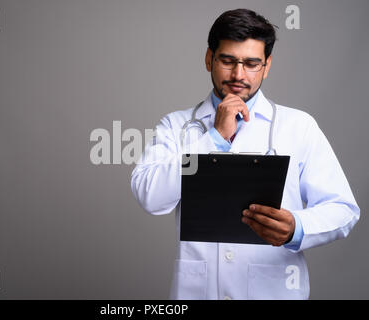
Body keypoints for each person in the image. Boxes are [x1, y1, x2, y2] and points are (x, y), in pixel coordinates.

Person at [130, 8, 360, 300]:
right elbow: (149, 196)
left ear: (267, 66)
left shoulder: (299, 126)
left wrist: (296, 228)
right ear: (209, 59)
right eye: (227, 61)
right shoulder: (176, 125)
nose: (239, 75)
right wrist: (213, 138)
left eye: (252, 63)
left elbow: (343, 209)